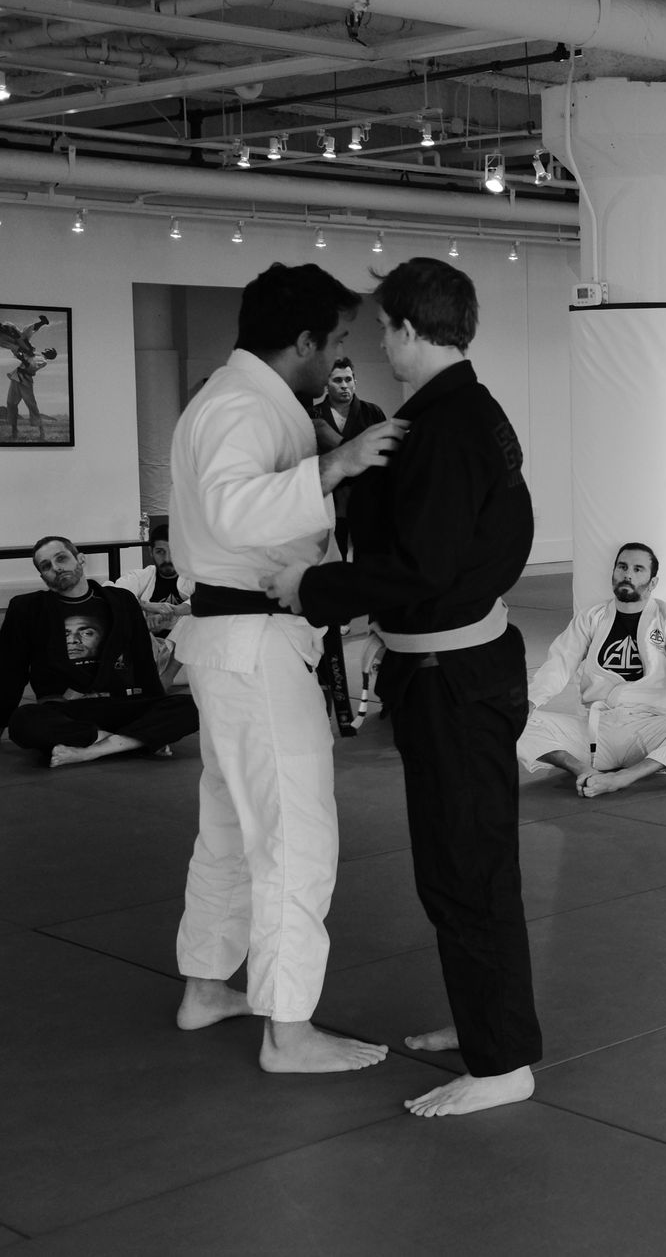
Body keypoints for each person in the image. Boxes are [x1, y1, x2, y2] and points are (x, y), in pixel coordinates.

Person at [268, 258, 538, 1117]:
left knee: (467, 868)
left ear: (415, 330)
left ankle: (503, 1063)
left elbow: (423, 566)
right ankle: (485, 1019)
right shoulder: (460, 412)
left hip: (454, 676)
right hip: (454, 668)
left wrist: (312, 589)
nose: (380, 344)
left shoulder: (449, 427)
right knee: (459, 865)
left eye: (386, 328)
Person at [167, 261, 404, 1076]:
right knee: (296, 835)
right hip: (255, 641)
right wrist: (334, 467)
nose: (339, 355)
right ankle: (288, 1029)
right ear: (302, 340)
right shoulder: (239, 405)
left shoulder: (242, 400)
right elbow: (233, 508)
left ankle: (207, 986)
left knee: (232, 828)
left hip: (238, 642)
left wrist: (326, 453)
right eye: (335, 340)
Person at [518, 542, 666, 797]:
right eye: (622, 567)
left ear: (653, 582)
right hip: (593, 732)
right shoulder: (591, 618)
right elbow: (560, 662)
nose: (628, 574)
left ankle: (625, 777)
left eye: (638, 569)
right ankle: (583, 770)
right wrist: (531, 700)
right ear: (613, 573)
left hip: (646, 732)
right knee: (504, 717)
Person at [0, 534, 199, 766]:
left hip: (123, 703)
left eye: (61, 558)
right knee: (23, 721)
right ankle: (129, 741)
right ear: (43, 576)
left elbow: (143, 662)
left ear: (80, 559)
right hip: (68, 709)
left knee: (193, 706)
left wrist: (155, 705)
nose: (56, 568)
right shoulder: (28, 609)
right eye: (46, 566)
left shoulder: (121, 601)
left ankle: (93, 749)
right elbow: (9, 672)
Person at [309, 357, 389, 555]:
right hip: (329, 496)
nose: (344, 385)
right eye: (337, 380)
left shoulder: (372, 412)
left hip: (365, 492)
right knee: (333, 553)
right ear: (327, 384)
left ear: (355, 382)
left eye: (348, 379)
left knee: (368, 552)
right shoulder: (313, 415)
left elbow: (384, 453)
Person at [113, 522, 192, 685]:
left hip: (183, 659)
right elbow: (112, 593)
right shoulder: (143, 576)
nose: (167, 559)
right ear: (151, 552)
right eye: (160, 552)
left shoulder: (193, 578)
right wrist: (145, 609)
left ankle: (167, 678)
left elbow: (208, 600)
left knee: (197, 617)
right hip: (147, 651)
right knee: (118, 612)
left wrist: (170, 613)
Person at [2, 311, 55, 440]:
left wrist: (22, 357)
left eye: (50, 351)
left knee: (31, 405)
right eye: (48, 348)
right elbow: (25, 340)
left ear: (50, 356)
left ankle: (41, 432)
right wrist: (22, 352)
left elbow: (29, 366)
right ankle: (14, 431)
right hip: (16, 377)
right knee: (11, 403)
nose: (47, 349)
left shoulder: (43, 361)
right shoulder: (35, 353)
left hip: (25, 381)